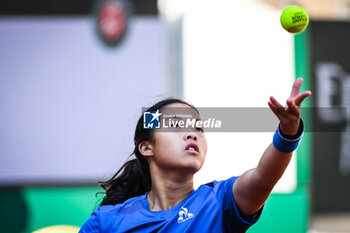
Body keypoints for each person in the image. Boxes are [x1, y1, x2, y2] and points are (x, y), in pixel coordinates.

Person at [79, 78, 311, 233]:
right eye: (176, 125)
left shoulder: (220, 202)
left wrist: (288, 132)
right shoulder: (106, 221)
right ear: (146, 147)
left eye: (198, 128)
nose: (192, 134)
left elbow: (263, 178)